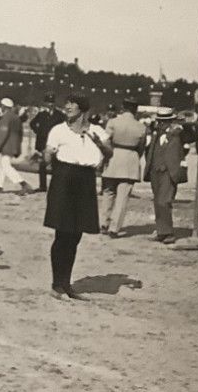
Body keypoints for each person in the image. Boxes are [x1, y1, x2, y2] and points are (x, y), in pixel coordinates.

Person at [42, 95, 112, 300]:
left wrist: (99, 143)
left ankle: (67, 283)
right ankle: (56, 285)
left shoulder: (97, 130)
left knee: (76, 235)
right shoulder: (58, 130)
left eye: (72, 105)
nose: (68, 107)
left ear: (83, 109)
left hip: (86, 179)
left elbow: (109, 153)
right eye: (67, 104)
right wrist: (47, 155)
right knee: (62, 233)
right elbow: (48, 155)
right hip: (63, 178)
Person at [101, 98, 148, 236]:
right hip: (130, 161)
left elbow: (105, 142)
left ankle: (104, 223)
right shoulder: (141, 127)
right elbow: (142, 147)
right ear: (136, 110)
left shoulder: (113, 123)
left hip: (113, 159)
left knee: (108, 192)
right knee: (122, 196)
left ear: (123, 108)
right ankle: (114, 228)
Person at [144, 108, 188, 243]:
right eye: (159, 121)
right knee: (158, 201)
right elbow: (149, 151)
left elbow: (189, 137)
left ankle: (168, 232)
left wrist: (182, 122)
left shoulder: (178, 134)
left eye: (164, 122)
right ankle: (161, 230)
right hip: (155, 172)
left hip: (169, 173)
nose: (161, 124)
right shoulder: (155, 134)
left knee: (164, 201)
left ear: (170, 122)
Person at [0, 98, 32, 192]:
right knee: (1, 166)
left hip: (7, 145)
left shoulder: (6, 117)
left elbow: (2, 133)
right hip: (13, 144)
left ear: (4, 106)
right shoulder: (16, 117)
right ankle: (0, 185)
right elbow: (20, 133)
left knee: (6, 166)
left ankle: (23, 184)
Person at [29, 98, 65, 193]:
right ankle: (43, 186)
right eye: (48, 103)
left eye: (51, 103)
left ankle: (56, 186)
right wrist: (39, 132)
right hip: (43, 142)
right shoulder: (42, 114)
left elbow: (65, 126)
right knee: (42, 165)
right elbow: (32, 123)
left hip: (55, 142)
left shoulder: (60, 115)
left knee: (55, 165)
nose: (49, 105)